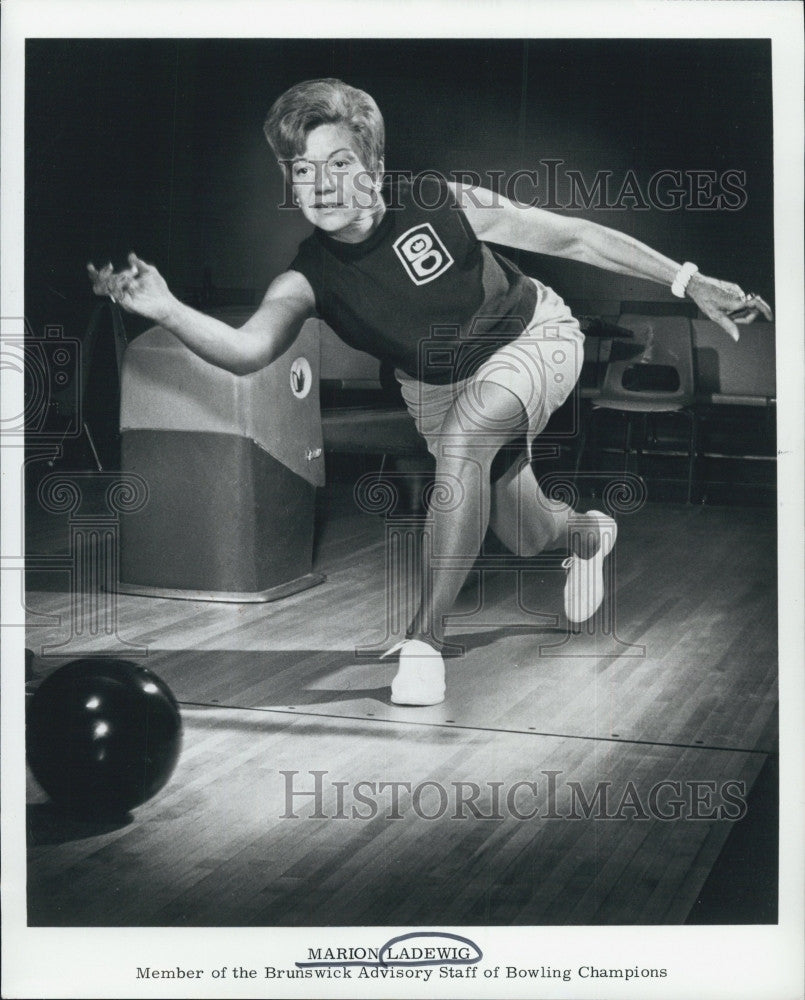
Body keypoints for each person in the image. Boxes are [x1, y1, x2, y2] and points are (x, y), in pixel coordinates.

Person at [88, 78, 772, 707]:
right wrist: (167, 308)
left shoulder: (439, 202)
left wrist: (688, 281)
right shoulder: (308, 278)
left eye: (339, 164)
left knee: (467, 434)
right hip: (433, 386)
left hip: (532, 335)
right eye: (302, 171)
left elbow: (572, 236)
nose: (321, 185)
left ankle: (424, 640)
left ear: (375, 166)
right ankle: (585, 535)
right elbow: (247, 351)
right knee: (525, 530)